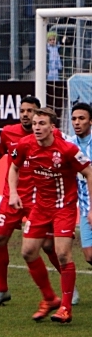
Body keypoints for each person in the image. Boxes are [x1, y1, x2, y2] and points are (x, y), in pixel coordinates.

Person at [0, 96, 71, 308]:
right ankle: (2, 290)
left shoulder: (54, 137)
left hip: (39, 198)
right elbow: (0, 150)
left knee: (47, 245)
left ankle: (67, 287)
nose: (26, 114)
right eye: (23, 110)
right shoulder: (9, 132)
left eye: (30, 111)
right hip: (13, 195)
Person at [9, 108, 92, 323]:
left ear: (52, 128)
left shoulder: (67, 149)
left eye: (42, 123)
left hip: (64, 207)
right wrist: (12, 192)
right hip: (40, 207)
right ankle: (49, 298)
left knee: (63, 254)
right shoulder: (25, 145)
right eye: (35, 123)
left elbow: (89, 172)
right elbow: (14, 167)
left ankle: (65, 307)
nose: (36, 127)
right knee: (28, 252)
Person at [68, 103, 92, 271]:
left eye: (81, 119)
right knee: (89, 255)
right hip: (84, 208)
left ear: (90, 121)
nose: (77, 122)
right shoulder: (69, 145)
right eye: (74, 119)